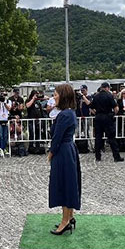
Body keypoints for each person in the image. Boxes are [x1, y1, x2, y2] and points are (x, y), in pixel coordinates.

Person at [48, 84, 81, 235]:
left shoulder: (64, 115)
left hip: (63, 151)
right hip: (68, 150)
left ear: (63, 96)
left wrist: (51, 152)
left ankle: (65, 221)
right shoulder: (69, 113)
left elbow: (57, 137)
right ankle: (70, 216)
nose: (53, 97)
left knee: (63, 184)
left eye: (55, 94)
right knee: (69, 182)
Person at [85, 82, 123, 162]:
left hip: (98, 118)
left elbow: (91, 107)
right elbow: (116, 108)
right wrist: (113, 114)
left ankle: (98, 156)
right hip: (107, 117)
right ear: (107, 88)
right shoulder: (109, 95)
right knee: (111, 138)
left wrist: (96, 113)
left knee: (98, 138)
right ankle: (116, 157)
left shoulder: (96, 96)